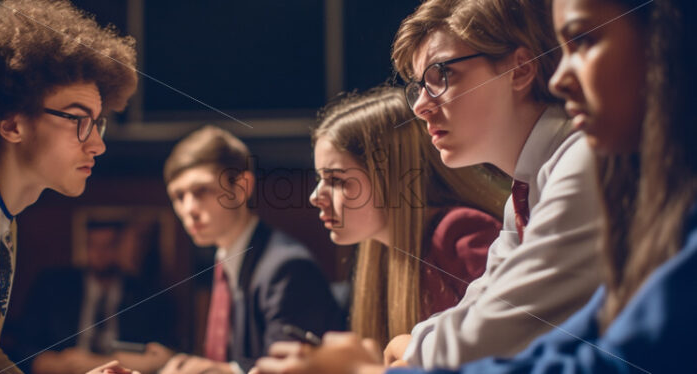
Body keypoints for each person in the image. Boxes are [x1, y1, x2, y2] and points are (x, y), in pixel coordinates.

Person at [255, 0, 697, 372]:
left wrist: (393, 358)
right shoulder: (525, 191)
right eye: (418, 86)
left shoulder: (583, 163)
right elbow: (483, 313)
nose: (422, 106)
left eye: (441, 76)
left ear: (520, 70)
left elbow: (497, 333)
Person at [0, 0, 137, 373]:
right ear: (13, 124)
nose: (97, 144)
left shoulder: (7, 223)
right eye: (78, 120)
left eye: (97, 124)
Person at [308, 86, 506, 349]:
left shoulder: (460, 233)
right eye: (320, 179)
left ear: (391, 177)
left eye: (336, 180)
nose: (315, 196)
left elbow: (502, 349)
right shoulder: (381, 253)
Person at [160, 126, 344, 374]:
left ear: (242, 187)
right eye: (179, 196)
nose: (188, 209)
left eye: (201, 190)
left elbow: (287, 370)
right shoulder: (225, 259)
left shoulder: (286, 267)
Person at [11, 221, 178, 374]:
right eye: (93, 245)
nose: (100, 253)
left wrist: (95, 363)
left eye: (109, 245)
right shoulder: (52, 287)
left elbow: (161, 355)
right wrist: (56, 363)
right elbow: (23, 347)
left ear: (122, 247)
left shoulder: (148, 295)